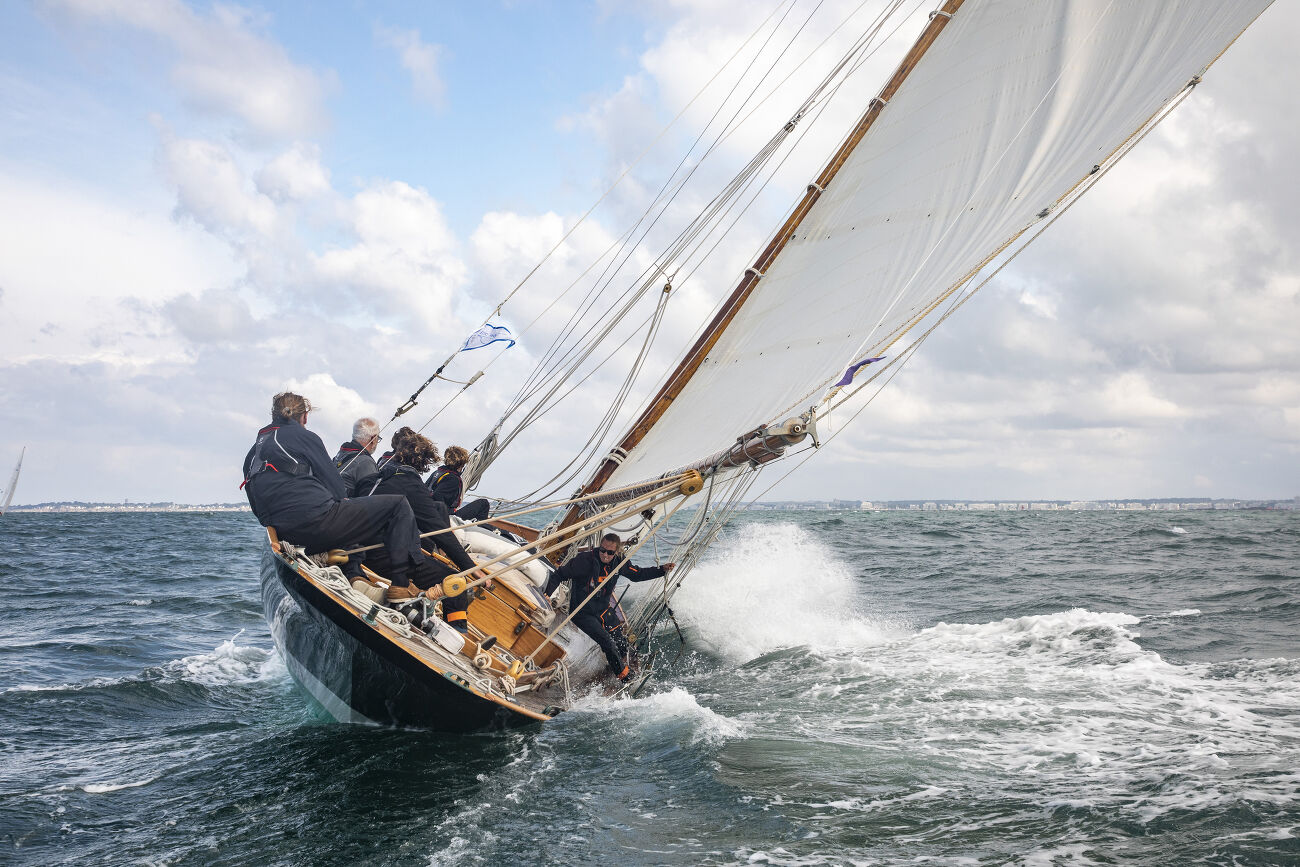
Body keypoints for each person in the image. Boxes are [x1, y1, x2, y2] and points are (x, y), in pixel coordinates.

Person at [241, 392, 427, 602]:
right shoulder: (306, 436)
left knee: (349, 515)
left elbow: (256, 505)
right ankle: (400, 585)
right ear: (305, 417)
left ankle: (354, 573)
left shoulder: (253, 452)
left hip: (285, 535)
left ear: (274, 415)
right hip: (316, 523)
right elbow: (336, 488)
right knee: (398, 505)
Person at [368, 427, 481, 632]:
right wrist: (471, 568)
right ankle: (456, 634)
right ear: (419, 462)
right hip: (384, 555)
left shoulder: (378, 475)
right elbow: (440, 532)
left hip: (362, 548)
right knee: (455, 582)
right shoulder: (409, 483)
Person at [544, 533, 675, 681]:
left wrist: (661, 570)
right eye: (602, 550)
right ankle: (624, 676)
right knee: (607, 642)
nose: (605, 555)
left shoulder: (619, 563)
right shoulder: (584, 561)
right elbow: (559, 574)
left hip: (603, 609)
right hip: (582, 613)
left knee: (621, 641)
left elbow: (637, 574)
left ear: (617, 552)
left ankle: (616, 664)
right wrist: (547, 595)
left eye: (610, 552)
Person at [427, 445, 490, 522]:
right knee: (483, 503)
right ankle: (481, 529)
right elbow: (438, 497)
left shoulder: (437, 473)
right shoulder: (452, 479)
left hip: (430, 513)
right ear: (462, 463)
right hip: (445, 518)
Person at [332, 417, 381, 497]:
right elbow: (371, 498)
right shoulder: (366, 463)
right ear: (374, 439)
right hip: (344, 508)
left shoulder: (340, 455)